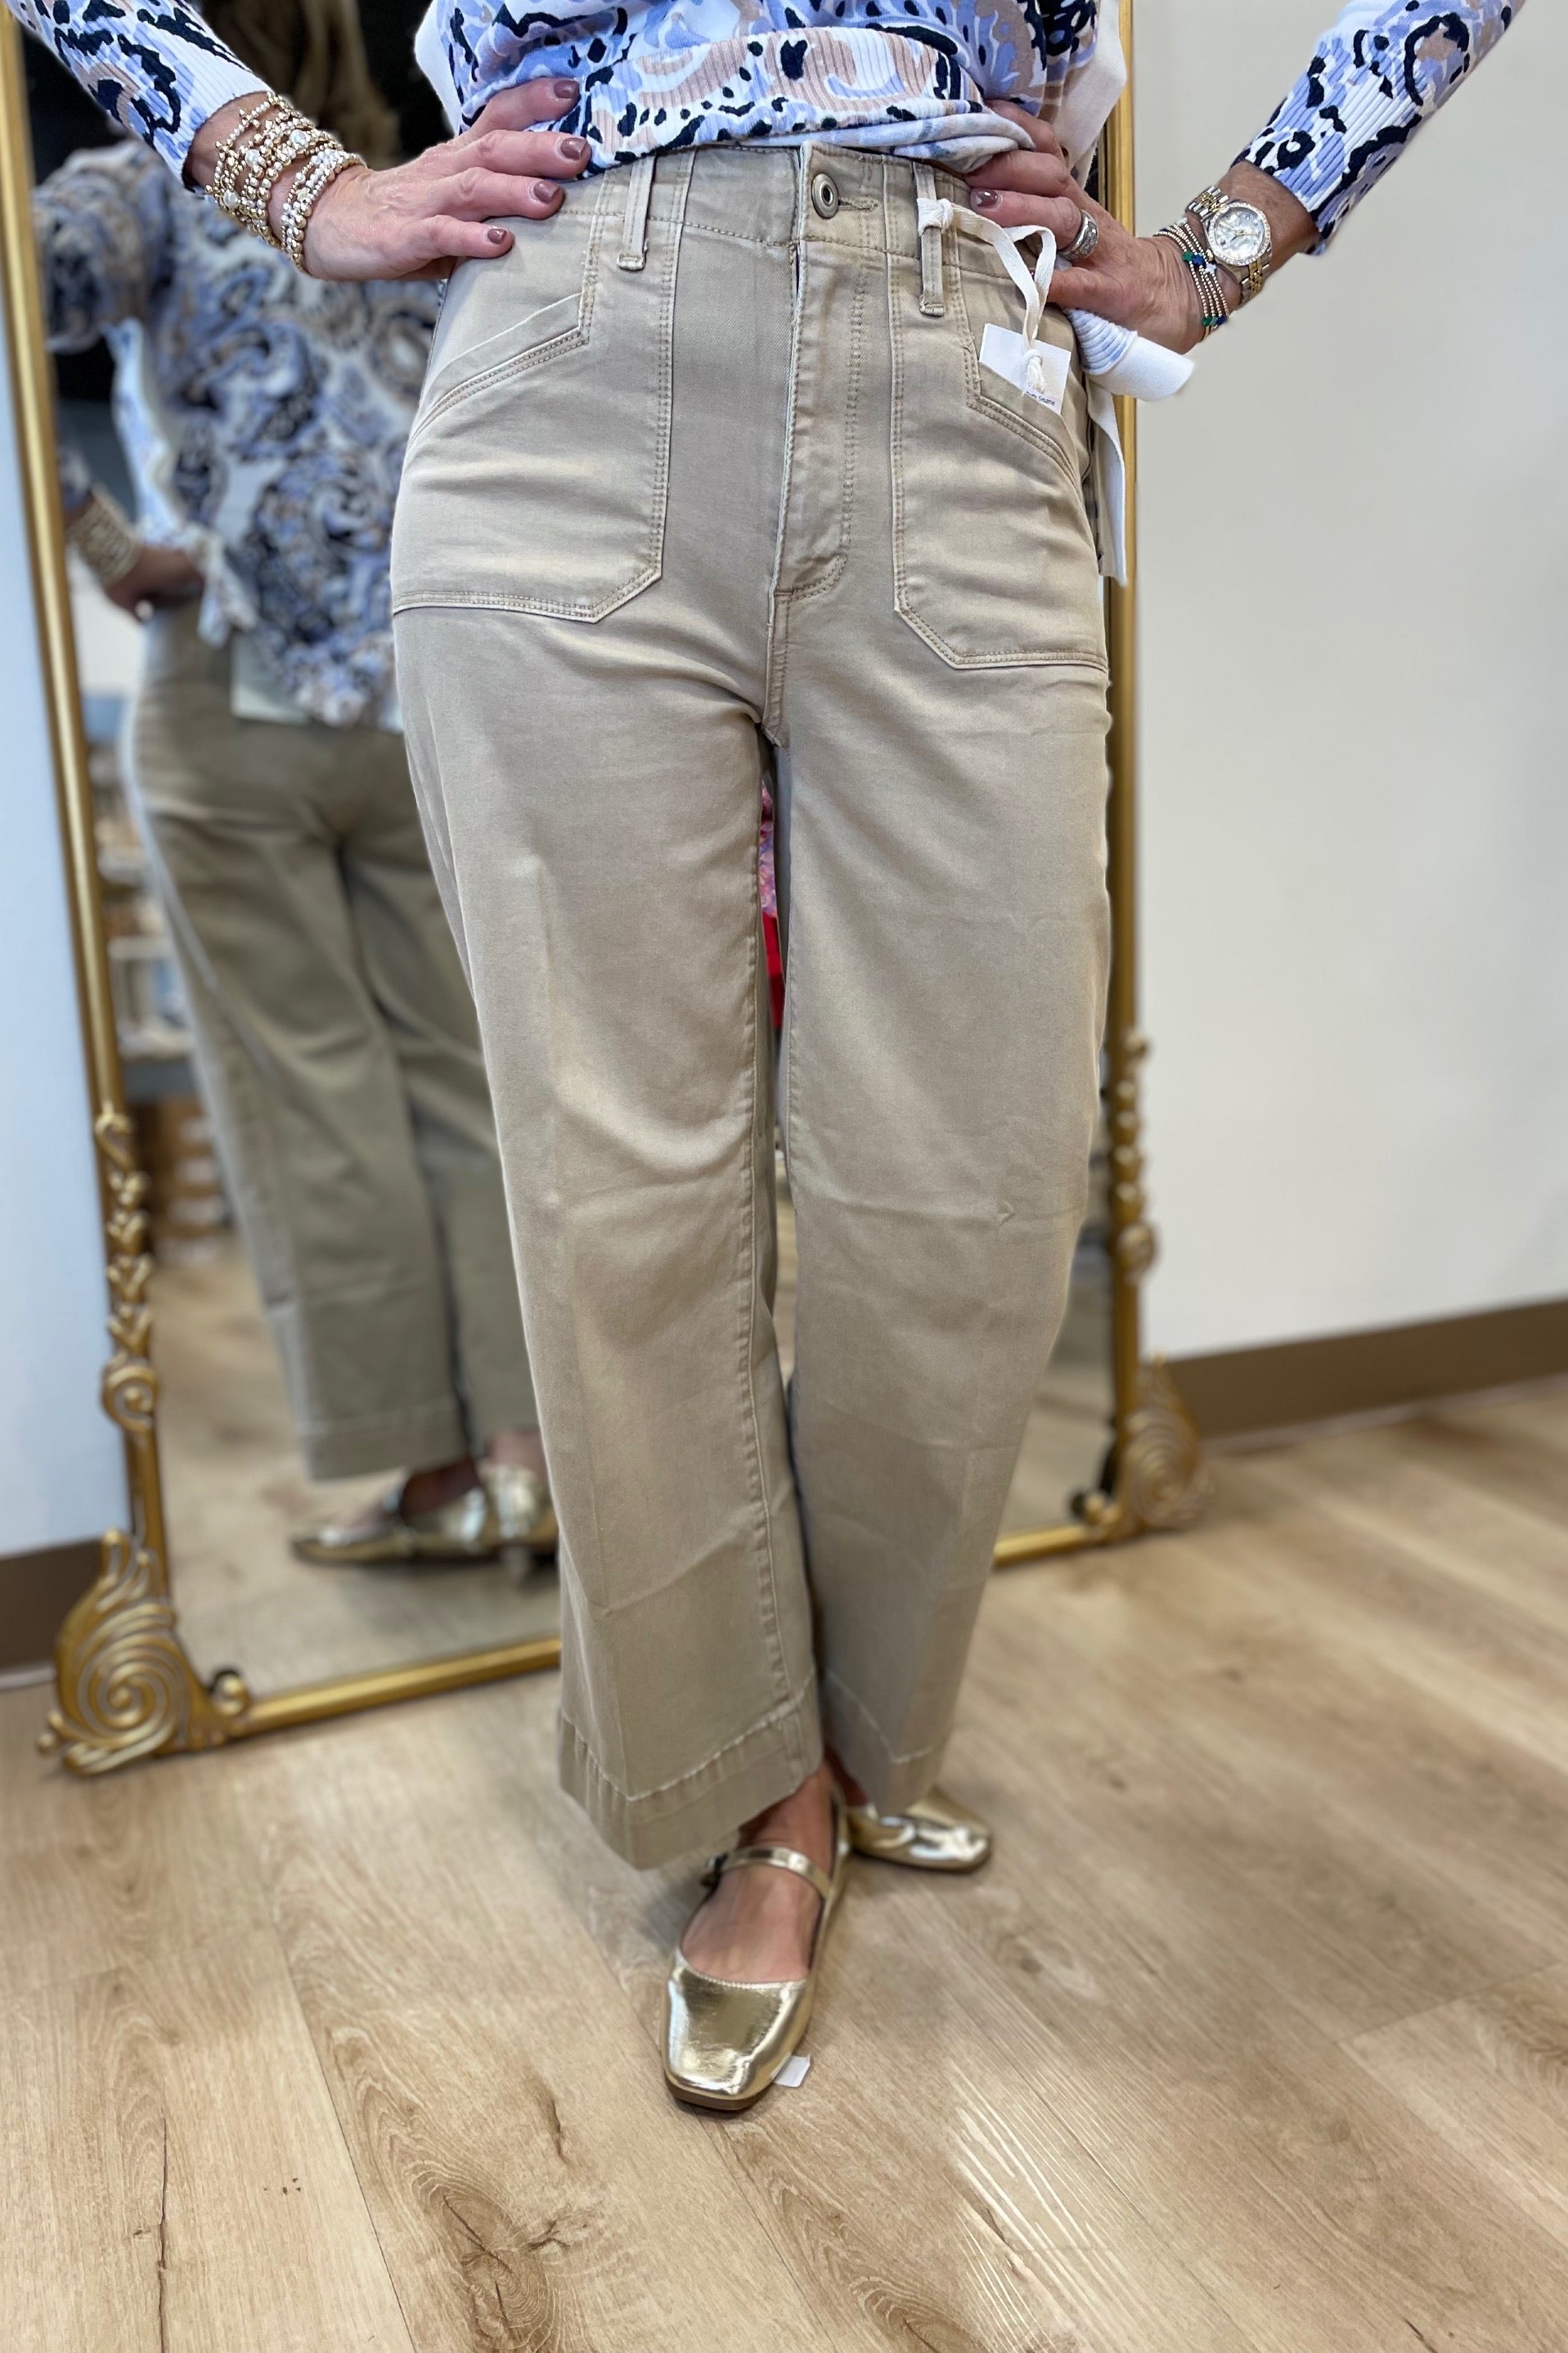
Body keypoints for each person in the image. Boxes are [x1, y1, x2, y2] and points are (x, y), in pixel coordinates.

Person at [11, 0, 1521, 2108]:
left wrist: (1227, 239)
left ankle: (849, 1727)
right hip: (565, 358)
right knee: (618, 1184)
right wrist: (297, 179)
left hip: (960, 361)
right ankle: (763, 1790)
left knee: (981, 1186)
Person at [32, 0, 559, 1568]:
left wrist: (101, 543)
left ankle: (428, 1475)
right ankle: (526, 1460)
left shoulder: (144, 184)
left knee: (306, 1093)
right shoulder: (431, 203)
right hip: (422, 688)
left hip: (233, 681)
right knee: (465, 1082)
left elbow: (12, 308)